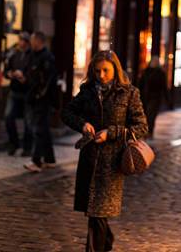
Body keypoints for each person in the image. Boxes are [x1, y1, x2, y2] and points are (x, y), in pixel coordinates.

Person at [61, 50, 148, 252]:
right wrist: (82, 125)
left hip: (112, 163)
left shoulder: (129, 93)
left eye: (106, 71)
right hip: (90, 159)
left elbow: (142, 127)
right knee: (96, 211)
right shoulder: (88, 90)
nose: (101, 75)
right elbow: (67, 113)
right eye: (97, 71)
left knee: (97, 212)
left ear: (115, 69)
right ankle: (106, 240)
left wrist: (112, 133)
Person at [23, 31, 57, 172]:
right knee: (43, 129)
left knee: (38, 129)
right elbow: (30, 74)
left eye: (32, 40)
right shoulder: (32, 55)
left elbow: (48, 81)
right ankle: (49, 159)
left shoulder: (47, 57)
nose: (30, 43)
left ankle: (36, 161)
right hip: (33, 96)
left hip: (42, 99)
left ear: (38, 41)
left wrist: (40, 95)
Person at [4, 32, 32, 156]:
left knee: (28, 121)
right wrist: (9, 74)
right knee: (8, 116)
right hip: (14, 90)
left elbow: (35, 74)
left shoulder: (32, 56)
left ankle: (27, 147)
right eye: (20, 40)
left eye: (23, 40)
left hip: (27, 92)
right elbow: (6, 70)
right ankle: (13, 143)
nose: (20, 42)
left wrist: (25, 78)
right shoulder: (14, 54)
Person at [138, 56, 168, 139]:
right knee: (144, 115)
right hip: (145, 97)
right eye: (153, 61)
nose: (154, 63)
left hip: (155, 97)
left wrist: (167, 99)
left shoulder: (161, 73)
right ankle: (145, 131)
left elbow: (164, 87)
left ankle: (149, 132)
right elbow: (140, 84)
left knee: (151, 115)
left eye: (156, 61)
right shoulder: (146, 72)